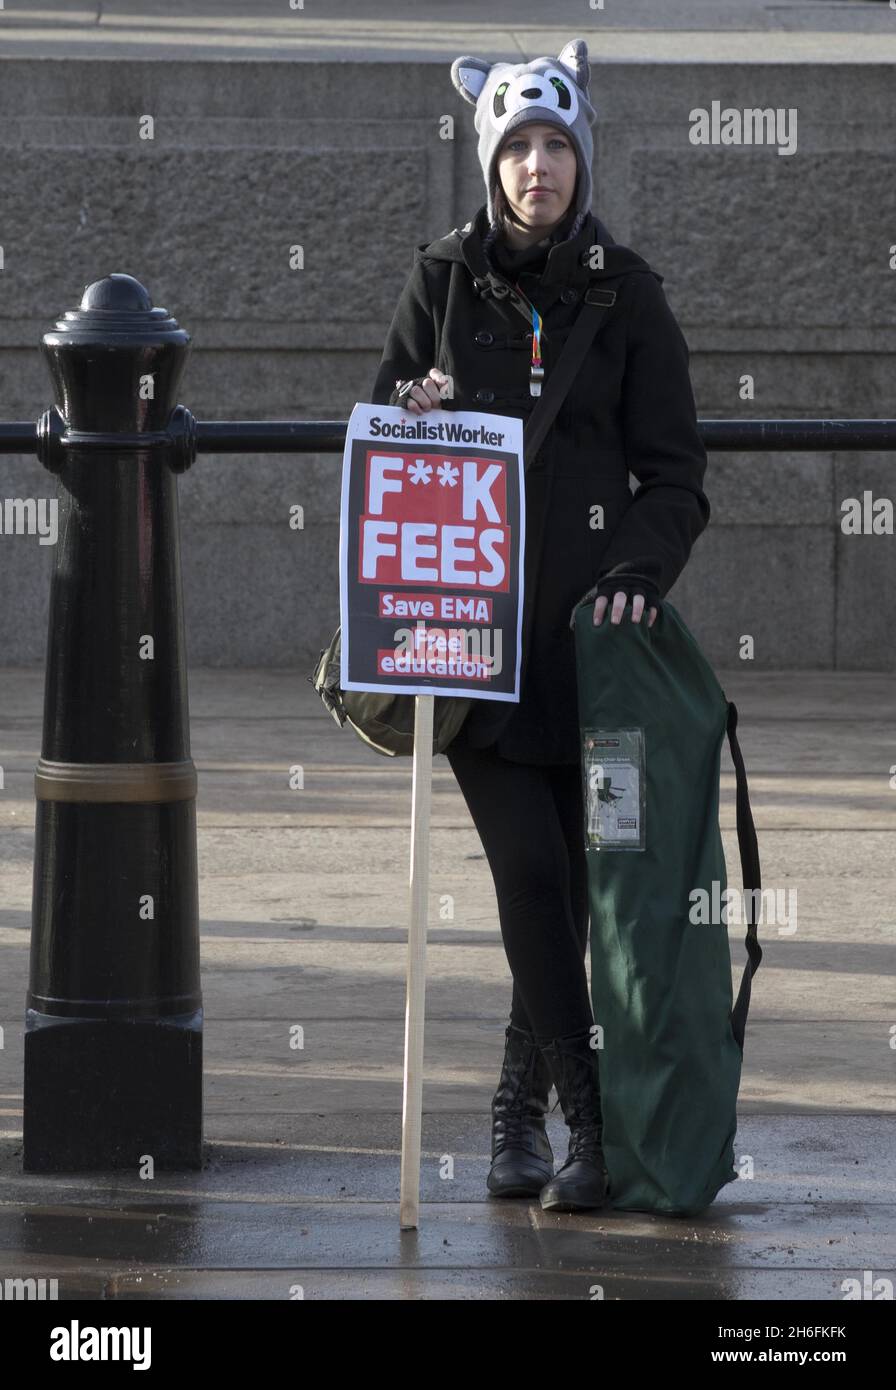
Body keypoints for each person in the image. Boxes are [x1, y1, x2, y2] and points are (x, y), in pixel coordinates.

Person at [369, 38, 710, 1212]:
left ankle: (513, 1116)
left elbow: (675, 477)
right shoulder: (439, 282)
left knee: (567, 887)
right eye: (515, 145)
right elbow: (375, 444)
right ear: (486, 160)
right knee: (525, 873)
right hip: (468, 644)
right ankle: (593, 1126)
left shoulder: (631, 292)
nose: (535, 166)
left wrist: (635, 571)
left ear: (581, 159)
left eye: (555, 144)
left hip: (595, 655)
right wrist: (409, 413)